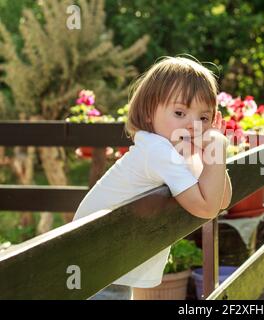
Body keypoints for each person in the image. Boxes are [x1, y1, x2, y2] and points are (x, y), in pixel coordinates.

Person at [73, 55, 232, 300]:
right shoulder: (158, 151)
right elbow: (207, 208)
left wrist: (211, 154)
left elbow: (221, 200)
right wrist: (218, 148)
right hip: (94, 268)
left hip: (104, 264)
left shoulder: (174, 150)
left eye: (203, 118)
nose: (193, 125)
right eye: (180, 112)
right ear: (148, 113)